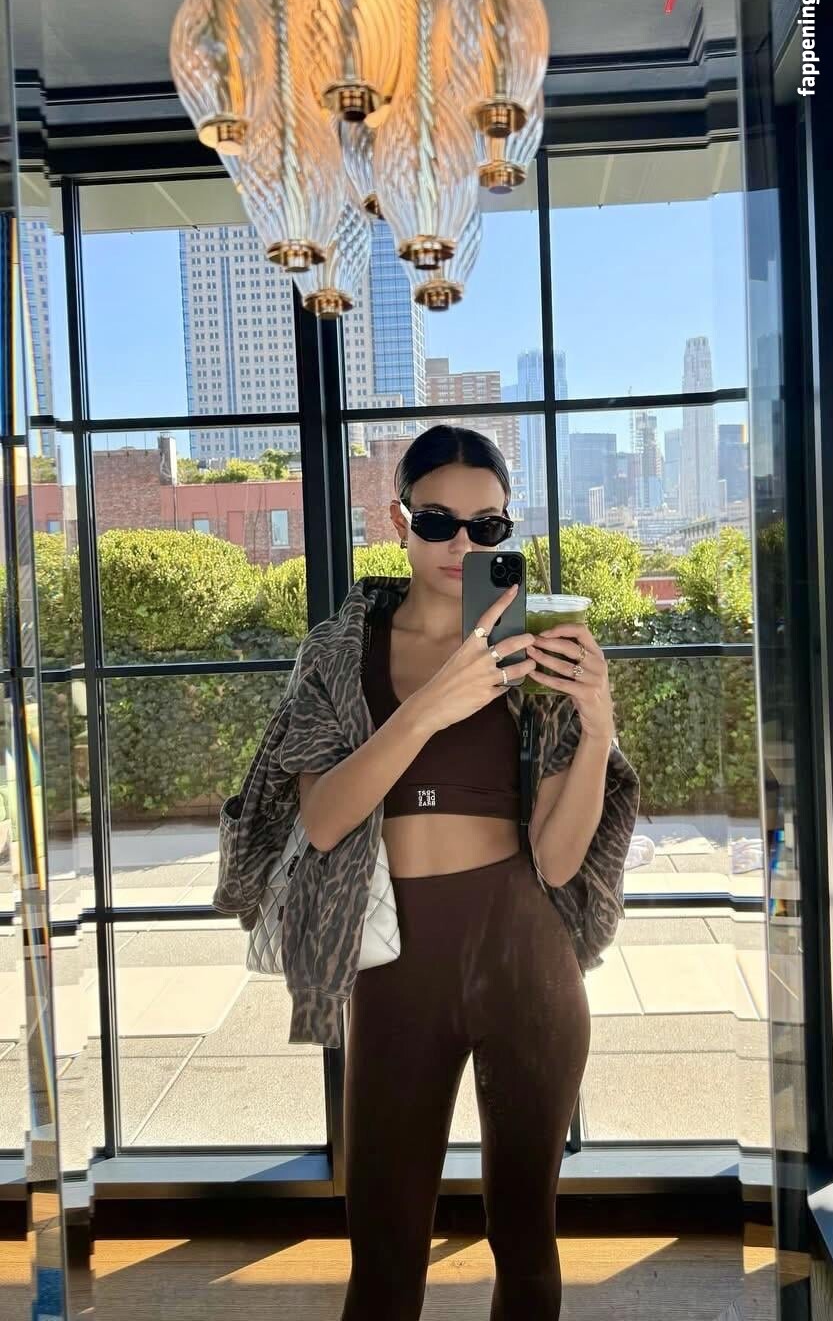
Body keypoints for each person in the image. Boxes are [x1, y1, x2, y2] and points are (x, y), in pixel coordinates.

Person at [296, 426, 619, 1321]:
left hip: (525, 962)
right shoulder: (339, 652)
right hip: (396, 972)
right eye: (437, 521)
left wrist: (597, 725)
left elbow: (556, 858)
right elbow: (321, 821)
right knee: (384, 1254)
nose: (461, 545)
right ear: (397, 520)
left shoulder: (534, 649)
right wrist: (431, 704)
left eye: (487, 526)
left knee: (525, 1243)